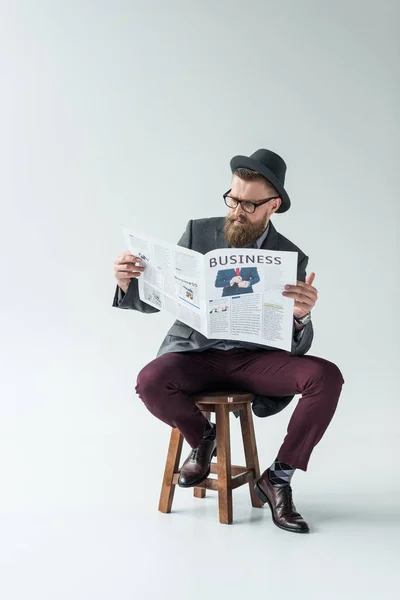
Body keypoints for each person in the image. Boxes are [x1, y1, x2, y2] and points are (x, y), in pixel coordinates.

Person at [113, 149, 344, 534]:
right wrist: (128, 284)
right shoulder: (198, 232)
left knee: (326, 377)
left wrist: (301, 318)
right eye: (233, 199)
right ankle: (203, 438)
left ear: (272, 206)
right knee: (149, 380)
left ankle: (279, 478)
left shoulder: (290, 255)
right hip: (197, 353)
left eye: (250, 205)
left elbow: (294, 342)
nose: (237, 210)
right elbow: (160, 295)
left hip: (254, 361)